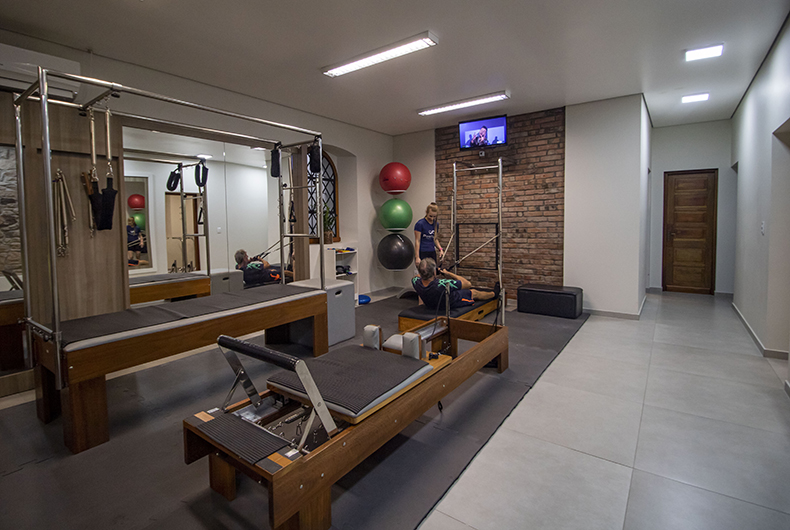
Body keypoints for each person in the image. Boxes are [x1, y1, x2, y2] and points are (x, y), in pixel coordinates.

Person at [412, 258, 499, 310]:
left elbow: (417, 276)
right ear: (434, 272)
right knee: (473, 292)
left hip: (431, 304)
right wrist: (449, 274)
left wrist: (433, 273)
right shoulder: (442, 284)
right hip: (451, 303)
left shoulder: (416, 282)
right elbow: (467, 284)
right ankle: (494, 294)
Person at [414, 203, 444, 268]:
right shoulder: (420, 224)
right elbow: (417, 241)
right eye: (430, 216)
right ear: (426, 212)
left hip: (432, 252)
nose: (432, 218)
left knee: (433, 271)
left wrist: (440, 249)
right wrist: (417, 257)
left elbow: (435, 239)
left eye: (434, 216)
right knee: (424, 271)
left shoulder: (436, 224)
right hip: (422, 251)